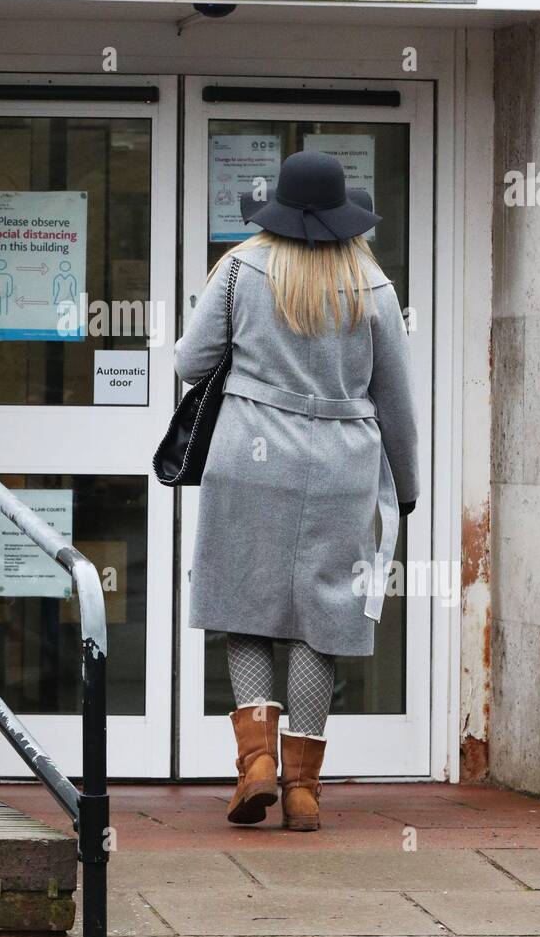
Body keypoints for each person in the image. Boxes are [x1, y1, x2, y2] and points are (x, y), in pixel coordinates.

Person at [174, 152, 418, 830]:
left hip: (247, 459)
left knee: (246, 607)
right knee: (321, 619)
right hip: (340, 466)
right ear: (346, 217)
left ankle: (254, 764)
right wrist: (406, 487)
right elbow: (394, 402)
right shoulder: (371, 284)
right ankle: (303, 791)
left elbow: (190, 363)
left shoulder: (239, 270)